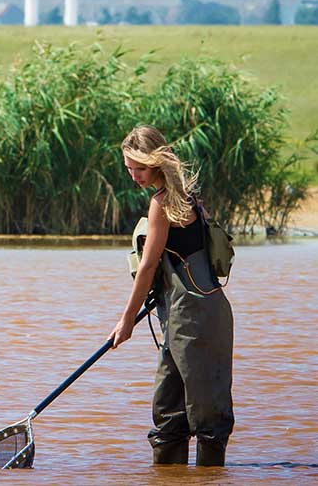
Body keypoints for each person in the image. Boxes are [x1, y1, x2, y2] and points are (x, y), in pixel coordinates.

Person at [109, 125, 234, 467]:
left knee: (207, 415)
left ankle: (209, 473)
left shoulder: (161, 204)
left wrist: (126, 322)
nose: (134, 175)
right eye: (129, 168)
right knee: (169, 410)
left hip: (195, 318)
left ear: (158, 164)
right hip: (192, 314)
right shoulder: (191, 198)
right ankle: (170, 475)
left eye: (140, 168)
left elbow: (148, 266)